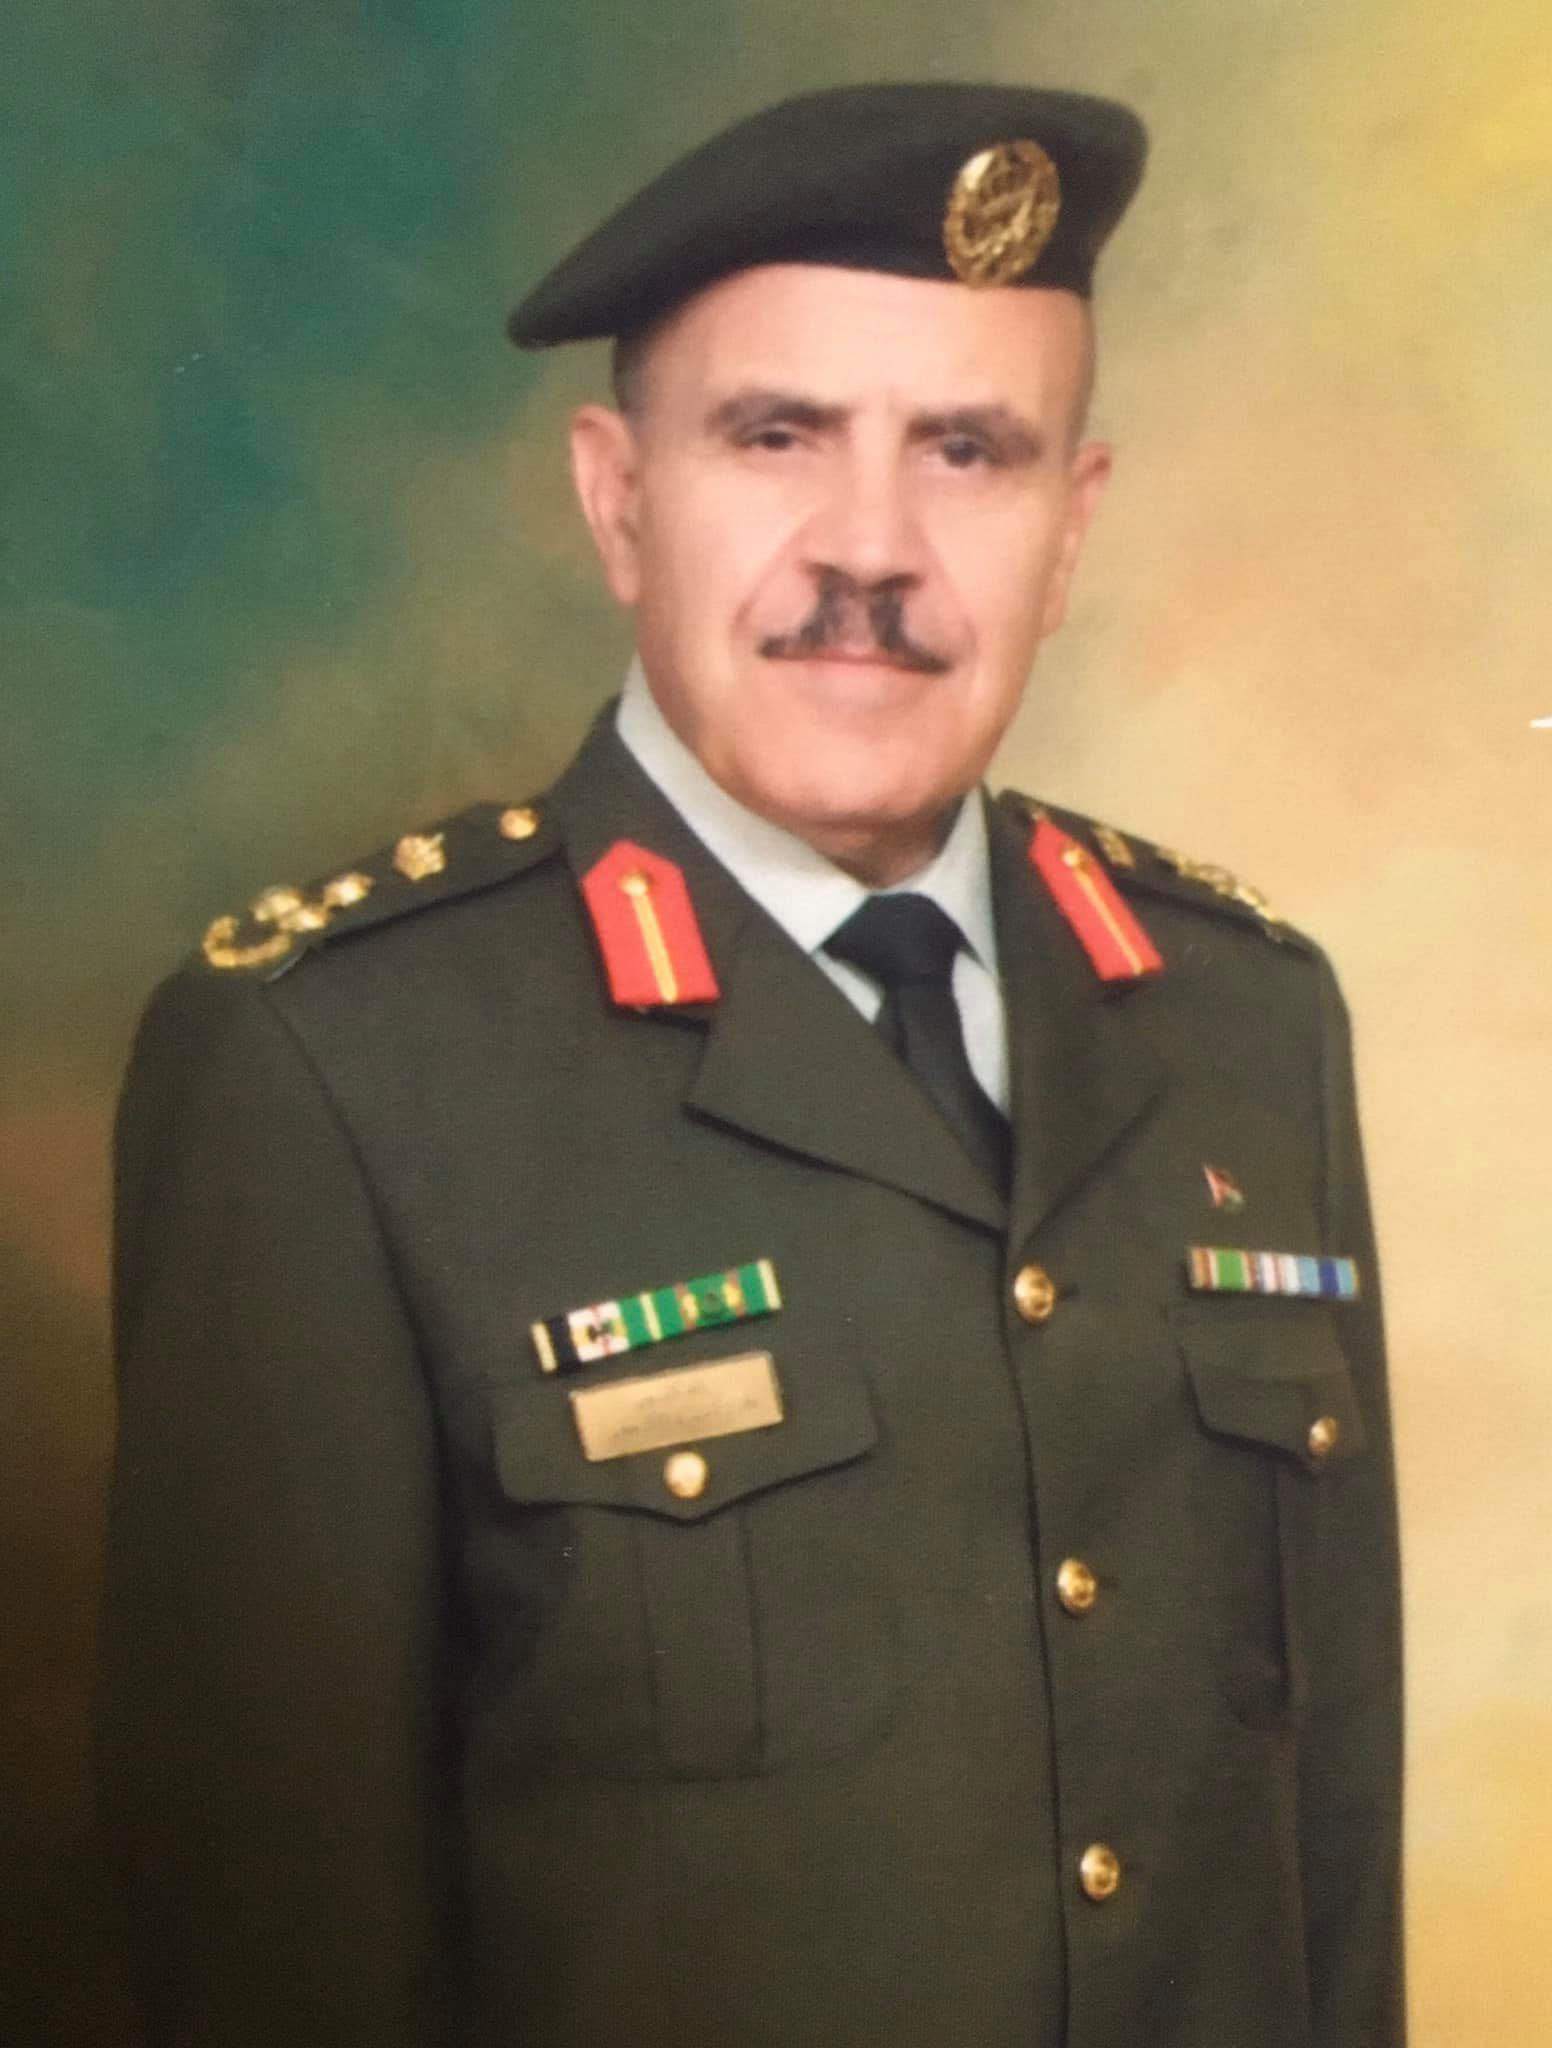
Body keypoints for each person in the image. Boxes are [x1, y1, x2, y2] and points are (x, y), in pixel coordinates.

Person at [98, 83, 1404, 2048]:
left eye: (966, 450)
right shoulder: (329, 1067)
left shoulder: (1244, 1017)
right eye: (776, 434)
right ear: (618, 498)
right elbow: (272, 1958)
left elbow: (1331, 1872)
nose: (869, 551)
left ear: (1069, 527)